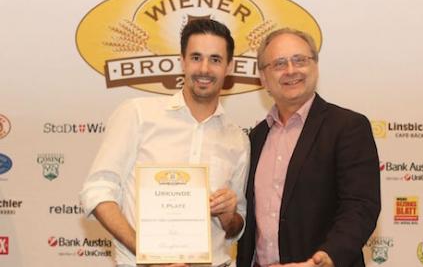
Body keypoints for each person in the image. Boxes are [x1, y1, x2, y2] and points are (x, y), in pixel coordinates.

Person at [80, 19, 249, 267]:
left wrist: (228, 214)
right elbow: (97, 192)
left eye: (215, 59)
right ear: (182, 61)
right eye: (196, 57)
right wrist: (149, 254)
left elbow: (236, 227)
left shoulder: (238, 139)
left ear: (229, 66)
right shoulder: (137, 114)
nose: (204, 68)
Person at [236, 28, 381, 267]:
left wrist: (326, 258)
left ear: (315, 66)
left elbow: (361, 207)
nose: (291, 70)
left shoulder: (348, 127)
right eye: (279, 63)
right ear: (263, 78)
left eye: (300, 60)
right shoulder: (256, 137)